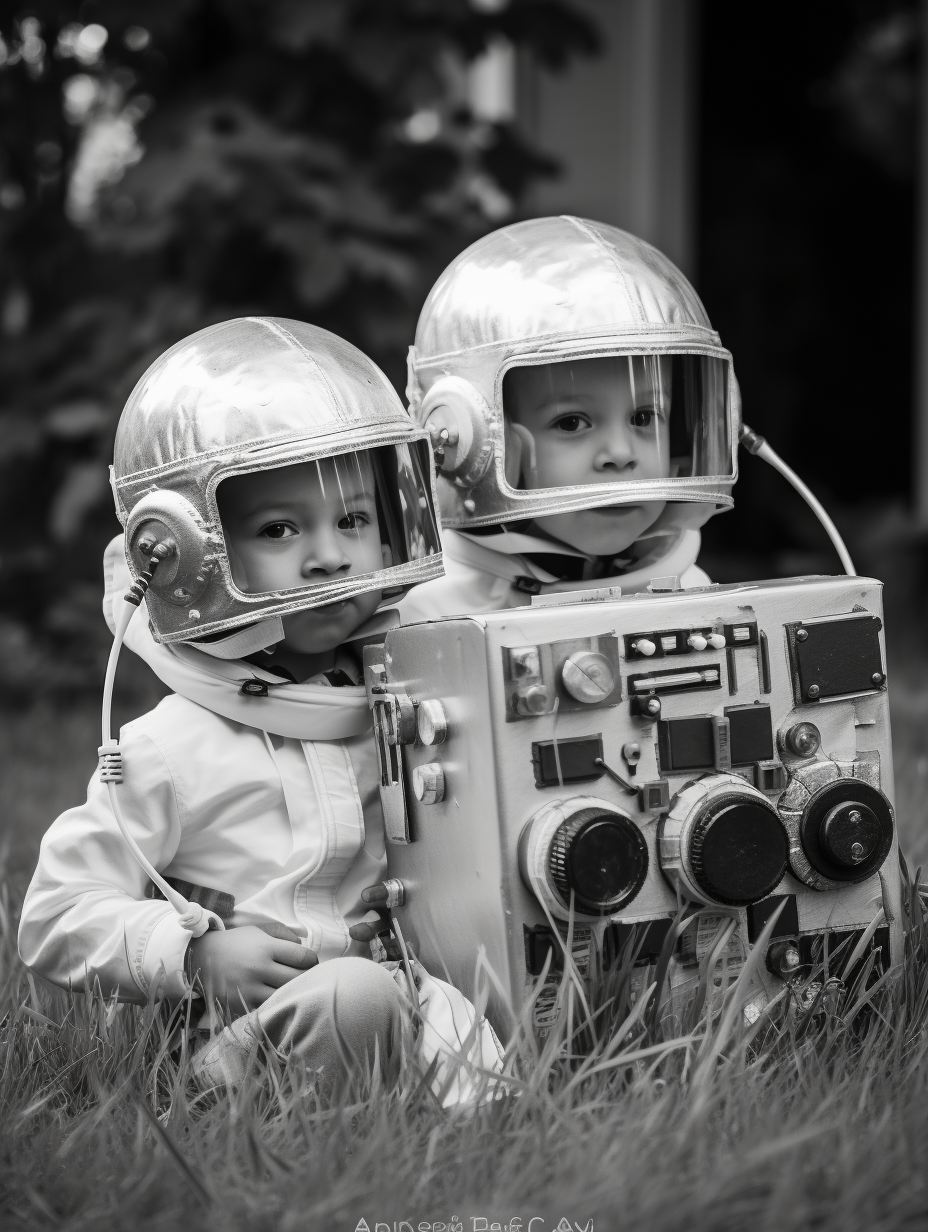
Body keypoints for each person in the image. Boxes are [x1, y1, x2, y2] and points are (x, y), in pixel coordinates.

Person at [18, 317, 503, 1104]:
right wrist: (191, 958)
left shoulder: (407, 696)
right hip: (241, 1030)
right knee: (354, 997)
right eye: (280, 528)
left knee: (492, 1004)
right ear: (183, 551)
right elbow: (54, 914)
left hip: (402, 994)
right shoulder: (172, 745)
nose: (330, 556)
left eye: (353, 519)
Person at [397, 216, 739, 623]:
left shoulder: (697, 593)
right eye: (572, 423)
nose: (620, 454)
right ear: (470, 439)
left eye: (644, 416)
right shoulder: (426, 620)